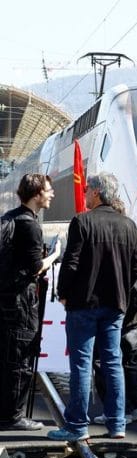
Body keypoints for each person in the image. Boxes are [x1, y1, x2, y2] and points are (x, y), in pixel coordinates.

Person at [49, 173, 137, 441]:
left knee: (81, 363)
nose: (86, 192)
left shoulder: (82, 221)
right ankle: (117, 424)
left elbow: (71, 263)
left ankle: (77, 426)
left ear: (98, 193)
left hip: (83, 304)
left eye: (88, 188)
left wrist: (63, 293)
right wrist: (122, 291)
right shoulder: (128, 225)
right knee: (113, 362)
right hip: (115, 305)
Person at [0, 174, 60, 432]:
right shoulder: (30, 225)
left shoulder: (9, 218)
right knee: (21, 359)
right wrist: (56, 254)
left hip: (5, 298)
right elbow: (36, 267)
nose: (52, 194)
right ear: (37, 194)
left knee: (6, 356)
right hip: (21, 303)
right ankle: (13, 416)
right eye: (48, 190)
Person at [93, 198, 137, 425]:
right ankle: (136, 405)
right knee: (131, 357)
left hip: (118, 304)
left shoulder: (121, 237)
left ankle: (116, 409)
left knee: (104, 358)